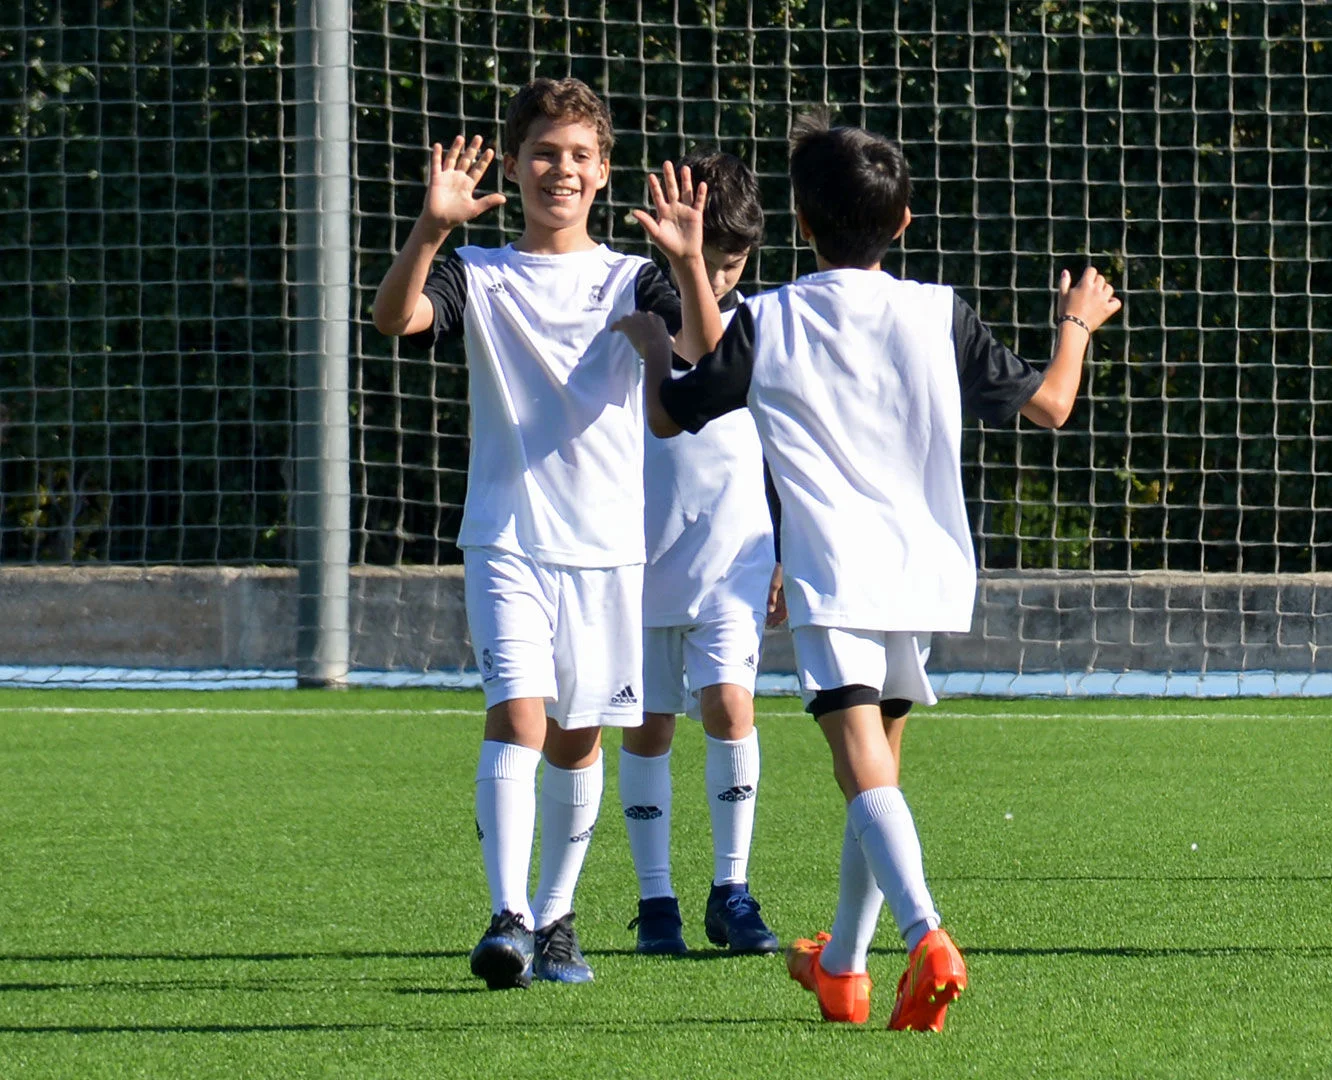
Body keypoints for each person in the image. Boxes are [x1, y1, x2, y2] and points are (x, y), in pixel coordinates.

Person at [616, 112, 1121, 1030]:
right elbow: (1052, 403)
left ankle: (928, 936)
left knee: (862, 775)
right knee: (877, 773)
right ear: (904, 223)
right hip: (922, 572)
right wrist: (1077, 322)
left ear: (801, 226)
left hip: (832, 578)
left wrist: (658, 347)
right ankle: (843, 968)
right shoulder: (941, 312)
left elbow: (670, 414)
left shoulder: (769, 319)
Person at [369, 76, 724, 988]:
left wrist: (688, 261)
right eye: (542, 153)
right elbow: (396, 318)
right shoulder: (477, 271)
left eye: (578, 156)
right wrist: (432, 227)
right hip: (507, 537)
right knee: (519, 719)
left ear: (603, 173)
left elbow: (705, 355)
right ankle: (508, 918)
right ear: (518, 164)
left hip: (608, 547)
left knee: (577, 737)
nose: (558, 170)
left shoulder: (630, 276)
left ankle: (560, 918)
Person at [614, 151, 784, 957]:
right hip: (639, 558)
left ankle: (732, 889)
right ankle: (657, 905)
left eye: (730, 262)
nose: (714, 276)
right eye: (700, 258)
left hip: (733, 556)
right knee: (648, 726)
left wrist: (786, 549)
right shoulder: (632, 316)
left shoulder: (758, 331)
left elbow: (780, 448)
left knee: (728, 705)